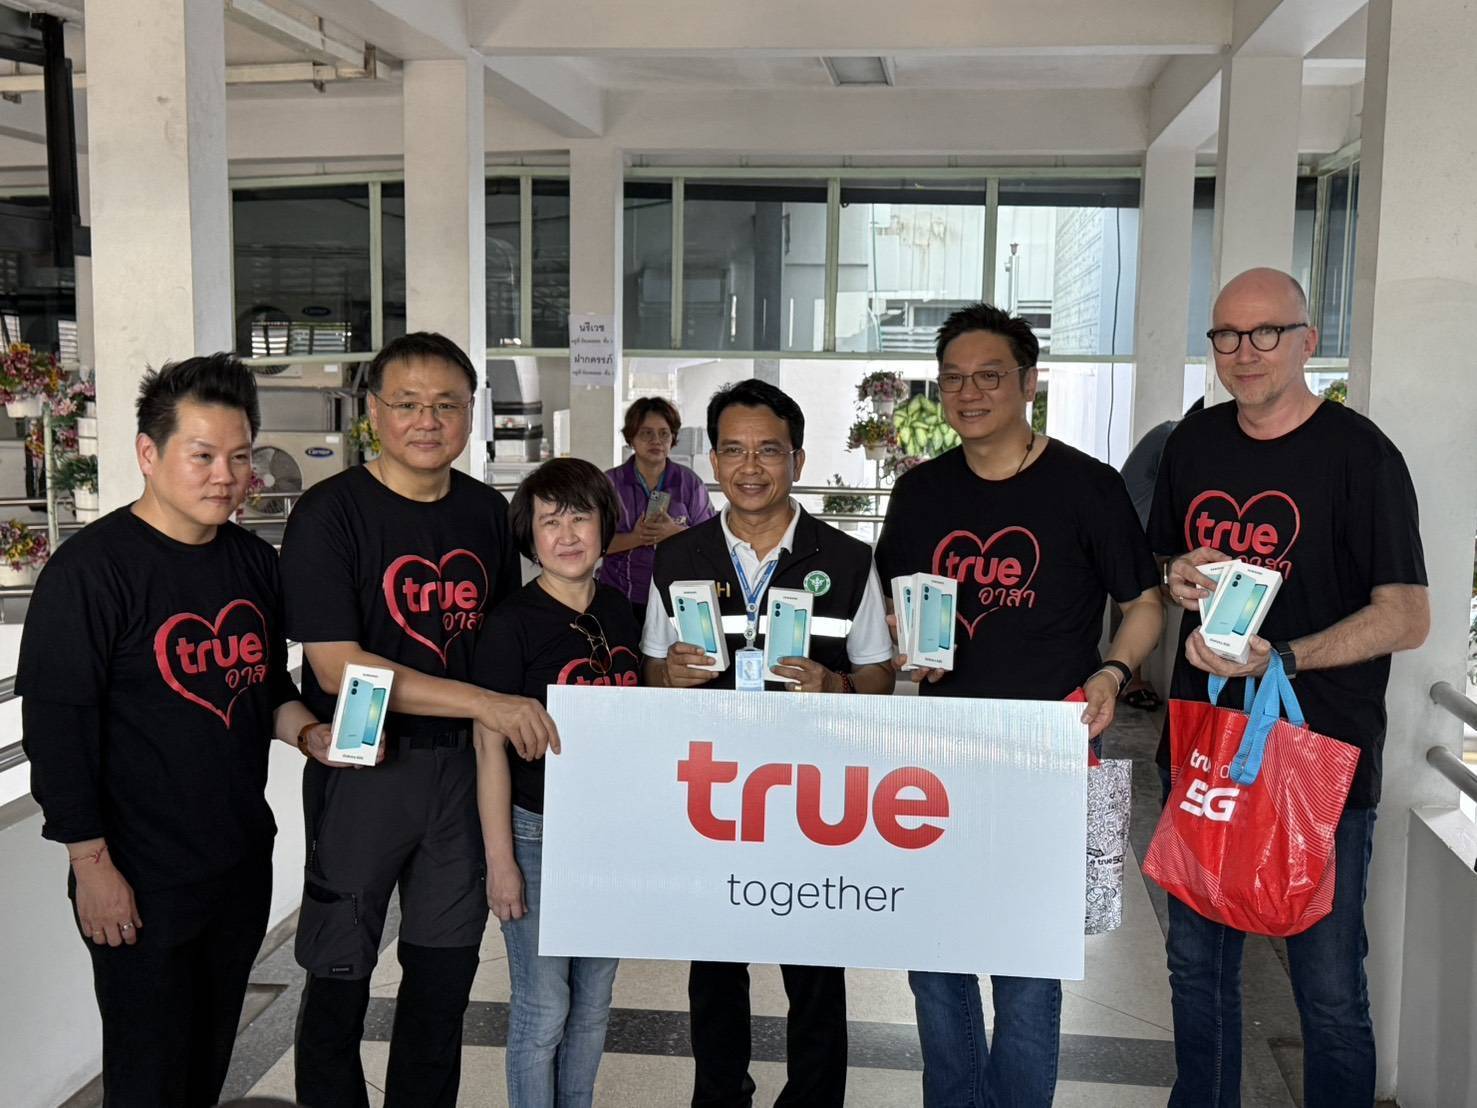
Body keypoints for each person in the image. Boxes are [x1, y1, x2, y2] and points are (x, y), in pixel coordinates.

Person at [17, 354, 339, 1106]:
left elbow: (263, 685)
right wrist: (93, 868)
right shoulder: (90, 572)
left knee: (206, 1065)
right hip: (137, 874)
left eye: (240, 457)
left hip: (237, 862)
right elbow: (57, 733)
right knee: (147, 1077)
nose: (226, 476)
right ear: (148, 452)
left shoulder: (253, 563)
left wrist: (308, 735)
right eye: (203, 456)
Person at [1150, 267, 1429, 1108]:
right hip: (1204, 745)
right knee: (1195, 969)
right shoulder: (1192, 444)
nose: (1245, 352)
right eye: (1226, 335)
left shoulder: (1360, 456)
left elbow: (1406, 616)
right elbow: (1162, 560)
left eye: (1265, 332)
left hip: (1316, 760)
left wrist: (1283, 659)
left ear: (1307, 341)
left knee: (1328, 990)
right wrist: (1174, 574)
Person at [874, 302, 1164, 1108]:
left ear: (1028, 383)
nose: (968, 393)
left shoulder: (1086, 486)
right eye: (953, 379)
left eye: (988, 376)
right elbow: (893, 608)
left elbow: (1143, 603)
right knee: (936, 959)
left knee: (1027, 966)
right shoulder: (919, 492)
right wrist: (901, 648)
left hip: (1053, 748)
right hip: (938, 750)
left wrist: (1112, 671)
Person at [281, 332, 558, 1108]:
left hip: (463, 776)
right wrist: (484, 703)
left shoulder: (484, 512)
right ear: (372, 412)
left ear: (471, 412)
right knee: (339, 973)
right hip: (364, 769)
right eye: (406, 403)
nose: (427, 421)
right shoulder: (329, 513)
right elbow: (335, 668)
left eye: (446, 404)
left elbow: (501, 643)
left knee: (442, 979)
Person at [642, 378, 894, 1108]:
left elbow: (879, 674)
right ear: (713, 461)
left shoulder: (846, 559)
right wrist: (668, 674)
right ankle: (720, 1095)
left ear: (797, 459)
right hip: (716, 796)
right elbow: (651, 670)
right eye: (733, 450)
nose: (749, 467)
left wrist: (836, 685)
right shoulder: (678, 557)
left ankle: (813, 1099)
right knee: (714, 968)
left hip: (812, 799)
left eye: (768, 451)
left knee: (814, 970)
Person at [472, 457, 640, 1107]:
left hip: (610, 839)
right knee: (543, 1007)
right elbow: (487, 747)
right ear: (530, 534)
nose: (567, 535)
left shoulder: (623, 613)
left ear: (605, 525)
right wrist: (501, 862)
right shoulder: (510, 623)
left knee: (594, 1006)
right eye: (550, 521)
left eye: (580, 518)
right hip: (536, 834)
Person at [1113, 396, 1205, 710]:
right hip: (1133, 530)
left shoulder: (1171, 434)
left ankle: (1126, 678)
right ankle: (1129, 680)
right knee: (1139, 601)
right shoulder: (1174, 437)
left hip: (1137, 528)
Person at [599, 397, 715, 623]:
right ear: (631, 437)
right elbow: (593, 544)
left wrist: (676, 533)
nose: (656, 441)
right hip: (621, 597)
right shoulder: (609, 483)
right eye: (646, 433)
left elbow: (711, 544)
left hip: (678, 599)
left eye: (664, 434)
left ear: (673, 438)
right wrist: (636, 538)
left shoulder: (690, 483)